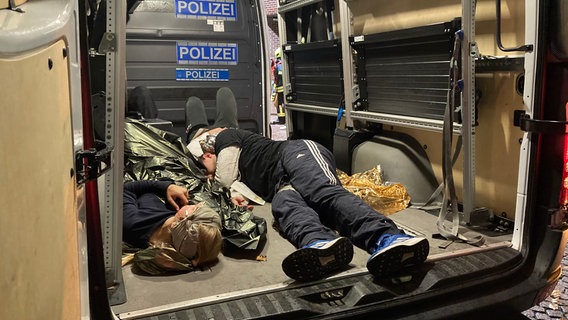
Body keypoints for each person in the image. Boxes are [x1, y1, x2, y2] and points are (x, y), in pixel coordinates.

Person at [186, 118, 429, 282]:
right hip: (280, 183)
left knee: (322, 193)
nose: (207, 161)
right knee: (284, 208)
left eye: (206, 159)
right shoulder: (240, 166)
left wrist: (210, 178)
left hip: (295, 154)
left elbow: (224, 178)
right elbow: (235, 187)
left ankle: (389, 237)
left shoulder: (226, 136)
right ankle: (321, 246)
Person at [123, 179, 223, 268]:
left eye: (195, 209)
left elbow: (123, 189)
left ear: (177, 224)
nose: (195, 204)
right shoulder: (175, 227)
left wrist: (166, 187)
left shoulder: (132, 222)